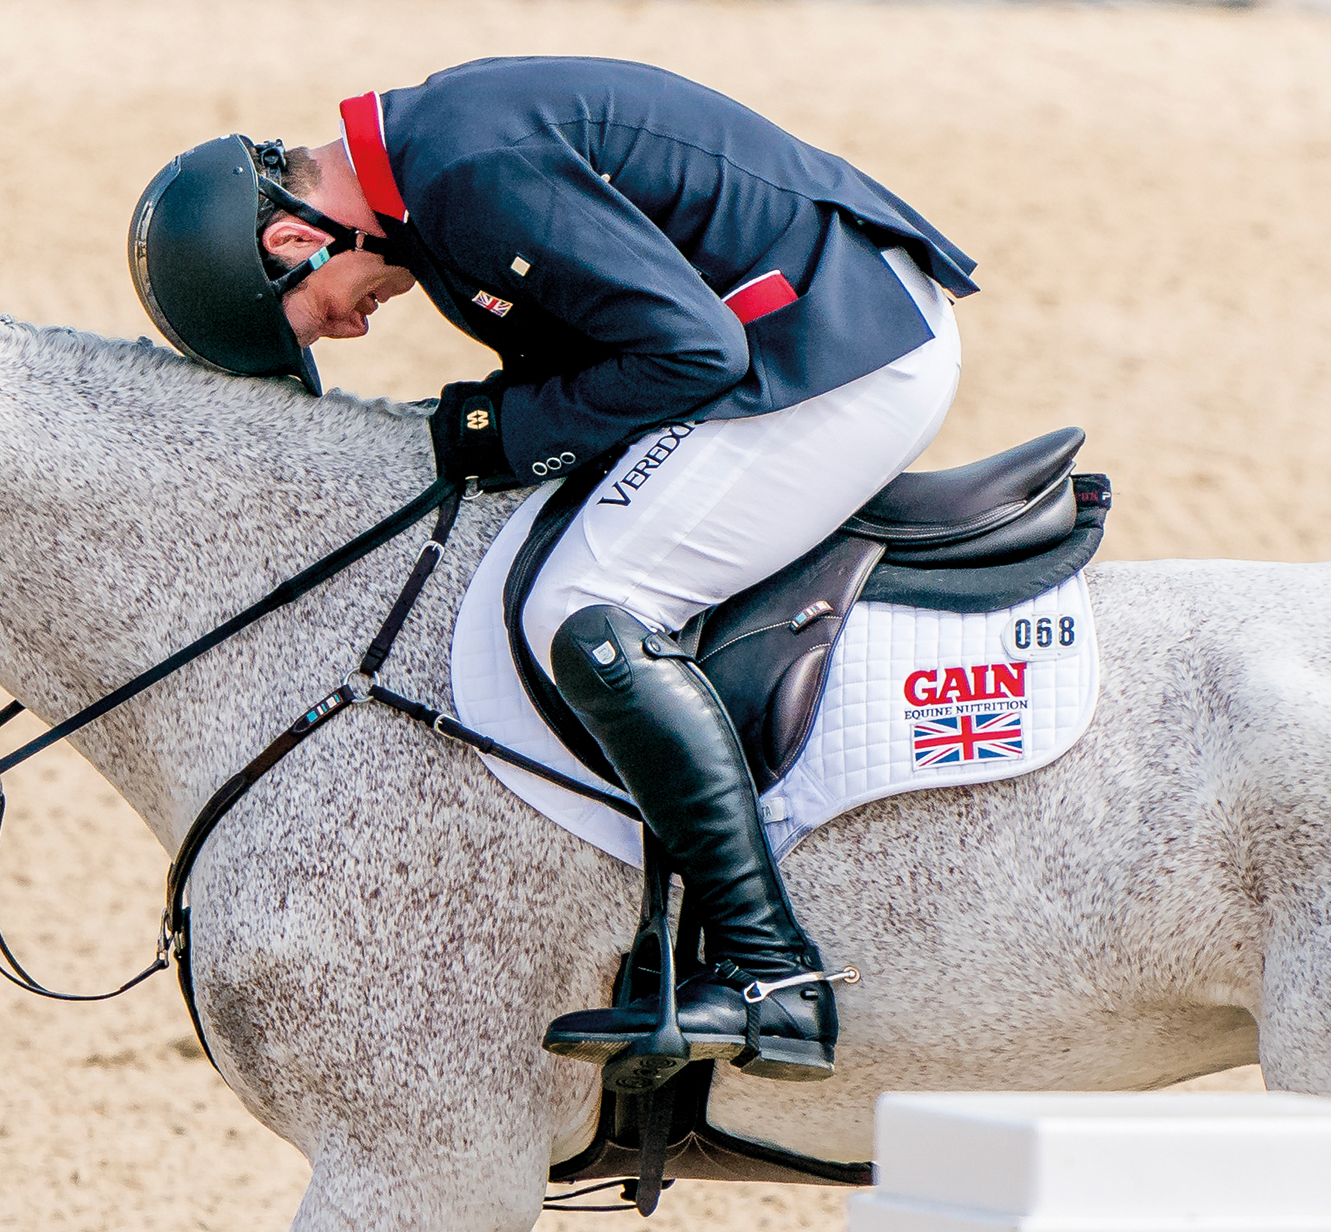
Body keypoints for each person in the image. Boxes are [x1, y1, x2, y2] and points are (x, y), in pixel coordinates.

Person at [127, 56, 975, 1090]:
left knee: (585, 602)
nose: (349, 328)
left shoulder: (463, 177)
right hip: (802, 320)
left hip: (836, 347)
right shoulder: (428, 168)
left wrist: (493, 428)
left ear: (294, 240)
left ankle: (770, 970)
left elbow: (689, 354)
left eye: (320, 317)